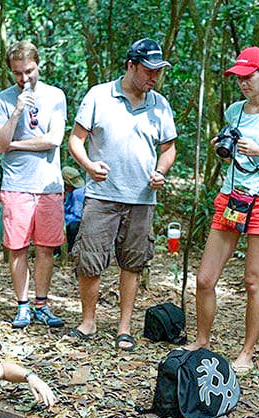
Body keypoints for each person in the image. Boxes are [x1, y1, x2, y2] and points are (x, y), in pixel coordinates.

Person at [182, 47, 259, 373]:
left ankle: (247, 353)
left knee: (253, 281)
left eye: (249, 76)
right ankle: (202, 340)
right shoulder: (234, 111)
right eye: (239, 78)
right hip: (231, 198)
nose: (243, 83)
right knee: (205, 278)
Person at [67, 37, 177, 351]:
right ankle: (88, 323)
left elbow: (168, 149)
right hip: (102, 194)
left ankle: (124, 328)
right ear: (131, 65)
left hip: (142, 199)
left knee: (133, 262)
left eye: (158, 72)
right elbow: (76, 139)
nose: (153, 78)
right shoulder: (99, 96)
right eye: (148, 70)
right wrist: (88, 165)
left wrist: (161, 171)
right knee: (89, 260)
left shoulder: (160, 105)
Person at [0, 40, 67, 329]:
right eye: (18, 73)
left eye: (30, 71)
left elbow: (53, 139)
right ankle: (22, 306)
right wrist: (17, 112)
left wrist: (16, 144)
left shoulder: (55, 95)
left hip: (48, 184)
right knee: (17, 248)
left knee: (47, 248)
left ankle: (42, 305)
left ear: (38, 64)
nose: (24, 78)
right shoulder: (3, 100)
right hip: (16, 185)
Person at [62, 166, 85, 251]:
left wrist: (63, 219)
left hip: (76, 224)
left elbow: (78, 216)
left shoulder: (77, 193)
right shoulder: (70, 193)